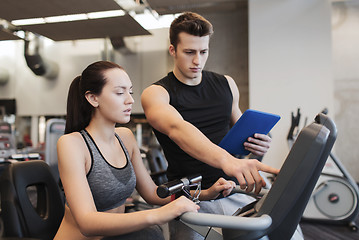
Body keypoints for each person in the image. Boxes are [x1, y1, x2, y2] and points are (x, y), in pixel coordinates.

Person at [54, 61, 236, 240]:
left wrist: (204, 193)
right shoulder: (72, 144)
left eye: (130, 92)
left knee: (150, 234)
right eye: (119, 92)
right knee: (150, 233)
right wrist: (157, 215)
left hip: (114, 238)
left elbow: (152, 193)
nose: (130, 100)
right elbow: (87, 223)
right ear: (93, 98)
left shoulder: (125, 137)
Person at [141, 12, 280, 239]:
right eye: (189, 52)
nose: (198, 61)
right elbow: (178, 129)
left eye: (203, 52)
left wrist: (259, 143)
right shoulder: (157, 94)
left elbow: (240, 128)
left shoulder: (226, 84)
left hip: (233, 189)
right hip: (193, 198)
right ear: (173, 50)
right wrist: (228, 161)